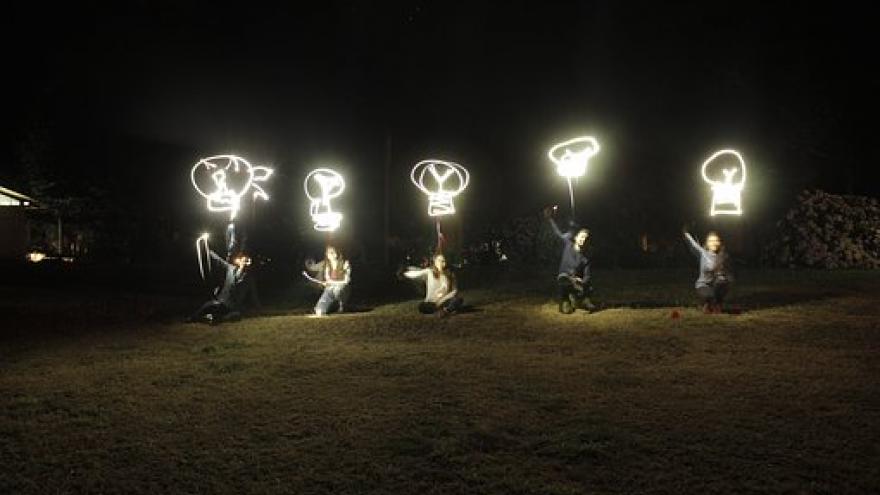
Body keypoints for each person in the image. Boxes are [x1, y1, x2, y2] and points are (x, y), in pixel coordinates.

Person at [545, 206, 596, 314]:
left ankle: (583, 300)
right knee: (563, 280)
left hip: (576, 282)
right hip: (564, 278)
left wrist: (582, 281)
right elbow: (557, 233)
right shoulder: (568, 244)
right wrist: (550, 219)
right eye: (581, 237)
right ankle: (565, 300)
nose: (583, 239)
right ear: (576, 237)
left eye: (586, 238)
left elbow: (588, 275)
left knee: (588, 287)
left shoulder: (585, 258)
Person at [189, 250, 259, 325]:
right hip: (221, 302)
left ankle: (216, 318)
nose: (248, 263)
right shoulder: (230, 269)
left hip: (233, 306)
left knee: (234, 314)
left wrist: (258, 307)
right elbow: (218, 260)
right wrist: (208, 250)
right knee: (209, 305)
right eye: (246, 260)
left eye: (249, 261)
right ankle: (195, 318)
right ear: (239, 262)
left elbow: (253, 293)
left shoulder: (249, 278)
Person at [683, 227, 732, 313]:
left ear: (720, 243)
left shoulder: (723, 256)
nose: (713, 243)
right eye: (711, 241)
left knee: (722, 281)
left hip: (716, 284)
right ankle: (708, 303)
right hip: (703, 285)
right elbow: (692, 243)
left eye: (716, 240)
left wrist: (727, 279)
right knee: (709, 295)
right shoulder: (702, 253)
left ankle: (717, 304)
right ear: (707, 243)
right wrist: (685, 232)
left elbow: (728, 272)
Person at [304, 245, 351, 316]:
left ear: (337, 253)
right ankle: (330, 307)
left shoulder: (345, 264)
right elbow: (327, 279)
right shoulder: (327, 265)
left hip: (342, 289)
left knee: (337, 290)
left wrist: (332, 282)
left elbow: (346, 281)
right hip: (330, 289)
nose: (331, 255)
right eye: (328, 253)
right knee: (319, 311)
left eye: (332, 252)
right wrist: (326, 283)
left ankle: (341, 305)